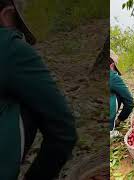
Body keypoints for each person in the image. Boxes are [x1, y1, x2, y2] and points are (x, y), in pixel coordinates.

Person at [0, 0, 77, 179]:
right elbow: (64, 131)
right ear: (6, 15)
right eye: (17, 27)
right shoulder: (10, 46)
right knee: (32, 102)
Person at [109, 50, 134, 139]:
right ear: (112, 65)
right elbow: (129, 102)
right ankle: (110, 131)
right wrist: (120, 119)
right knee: (119, 94)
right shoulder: (112, 77)